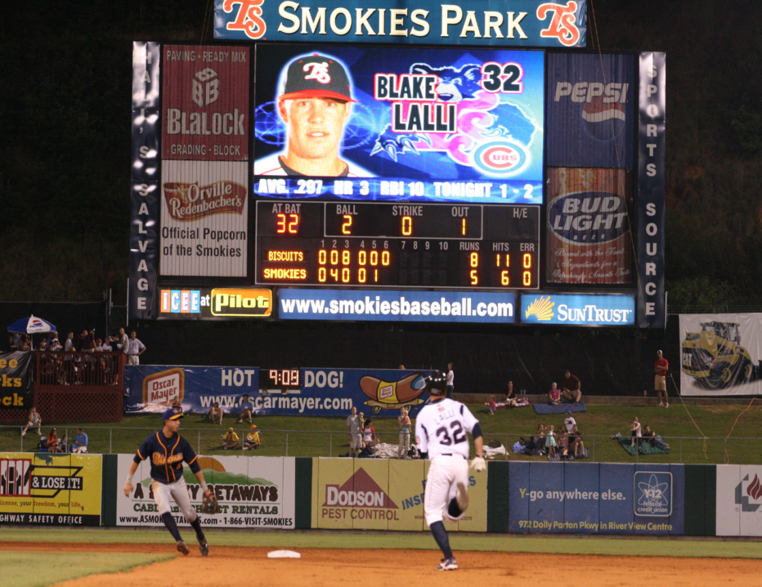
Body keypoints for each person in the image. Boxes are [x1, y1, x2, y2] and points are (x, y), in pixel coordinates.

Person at [254, 53, 373, 177]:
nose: (317, 117)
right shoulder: (253, 178)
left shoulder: (370, 187)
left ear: (346, 111)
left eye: (330, 104)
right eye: (304, 104)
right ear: (283, 110)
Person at [415, 370, 485, 571]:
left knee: (432, 514)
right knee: (452, 516)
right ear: (445, 388)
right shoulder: (459, 407)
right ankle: (459, 503)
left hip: (441, 462)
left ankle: (449, 559)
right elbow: (477, 429)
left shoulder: (423, 414)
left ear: (428, 389)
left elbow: (422, 451)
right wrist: (479, 456)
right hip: (461, 462)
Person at [124, 409, 212, 556]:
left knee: (189, 514)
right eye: (175, 420)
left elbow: (194, 465)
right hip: (159, 482)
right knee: (163, 507)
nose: (178, 423)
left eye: (179, 420)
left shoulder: (182, 443)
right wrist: (128, 481)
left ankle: (201, 537)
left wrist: (205, 488)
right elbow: (137, 459)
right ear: (166, 422)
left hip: (178, 482)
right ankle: (179, 541)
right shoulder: (152, 441)